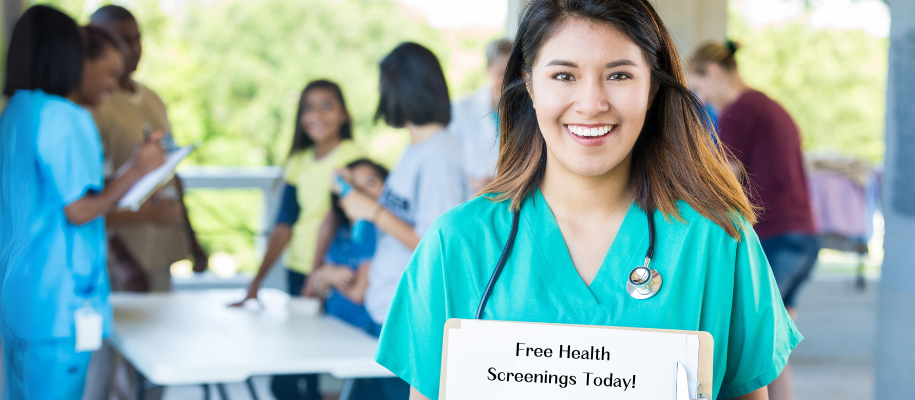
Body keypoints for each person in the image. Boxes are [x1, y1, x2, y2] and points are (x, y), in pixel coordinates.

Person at [374, 1, 802, 400]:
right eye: (564, 75)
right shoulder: (458, 243)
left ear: (652, 87)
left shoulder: (717, 240)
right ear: (529, 84)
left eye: (619, 75)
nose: (592, 104)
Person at [0, 6, 164, 399]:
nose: (115, 82)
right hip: (61, 307)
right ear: (69, 56)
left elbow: (53, 197)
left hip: (21, 300)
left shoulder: (16, 111)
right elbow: (79, 210)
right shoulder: (65, 116)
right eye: (109, 73)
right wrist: (138, 171)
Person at [335, 42, 467, 400]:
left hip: (412, 324)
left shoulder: (439, 154)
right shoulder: (417, 149)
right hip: (387, 316)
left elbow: (436, 244)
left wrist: (372, 211)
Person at [689, 40, 820, 400]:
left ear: (713, 73)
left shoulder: (738, 109)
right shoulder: (766, 105)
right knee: (774, 352)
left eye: (699, 88)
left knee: (754, 352)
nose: (701, 99)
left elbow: (721, 181)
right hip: (803, 238)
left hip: (777, 239)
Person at [229, 79, 363, 400]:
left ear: (344, 114)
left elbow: (335, 219)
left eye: (327, 106)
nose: (317, 115)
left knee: (298, 375)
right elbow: (283, 225)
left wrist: (317, 275)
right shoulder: (299, 160)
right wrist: (255, 282)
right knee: (295, 375)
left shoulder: (351, 157)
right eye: (308, 108)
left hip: (328, 274)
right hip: (297, 270)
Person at [310, 159, 388, 334]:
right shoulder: (342, 231)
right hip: (334, 325)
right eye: (352, 186)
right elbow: (319, 283)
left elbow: (358, 293)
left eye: (370, 183)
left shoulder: (372, 231)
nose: (359, 193)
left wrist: (327, 277)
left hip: (360, 331)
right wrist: (325, 276)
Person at [449, 38, 512, 194]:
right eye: (501, 73)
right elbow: (444, 161)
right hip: (471, 198)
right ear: (488, 70)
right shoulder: (461, 110)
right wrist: (470, 182)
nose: (508, 80)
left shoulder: (528, 111)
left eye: (514, 73)